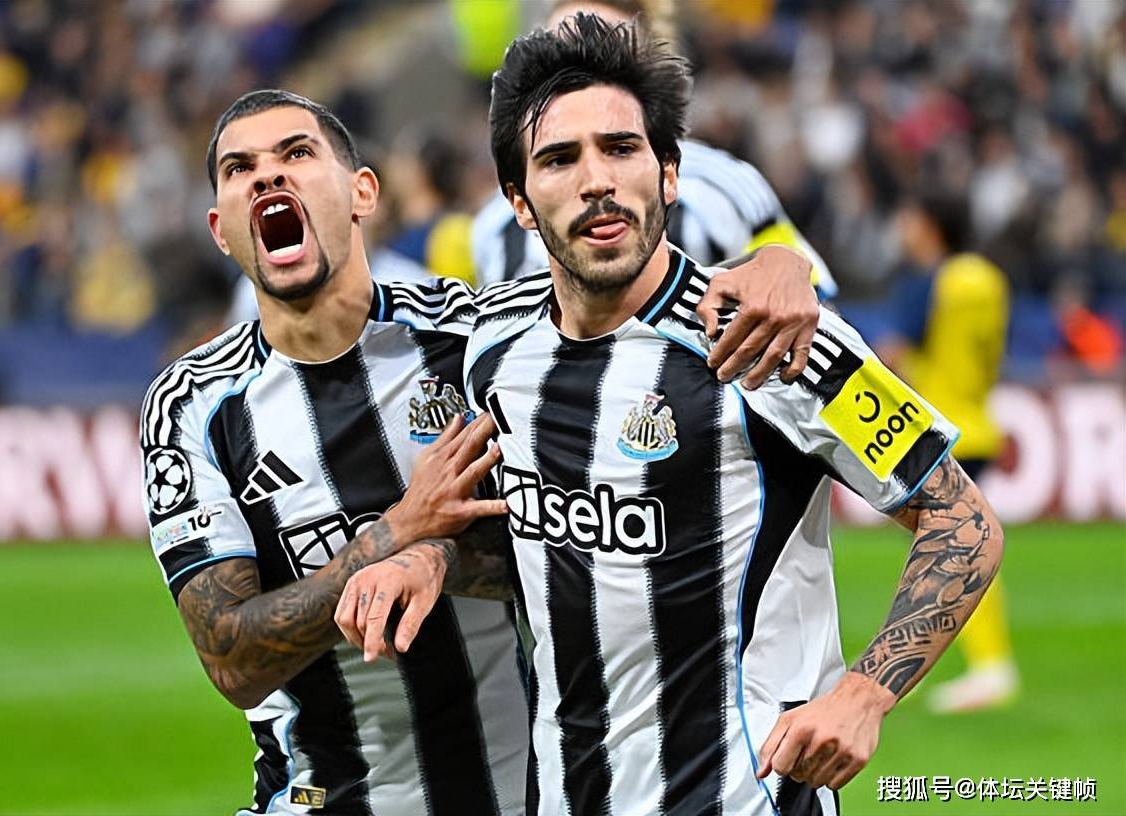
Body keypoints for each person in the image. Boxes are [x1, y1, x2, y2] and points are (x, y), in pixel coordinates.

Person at [337, 16, 1005, 816]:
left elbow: (963, 522)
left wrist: (865, 693)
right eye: (559, 159)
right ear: (519, 202)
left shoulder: (773, 336)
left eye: (621, 148)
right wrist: (429, 559)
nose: (596, 179)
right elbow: (533, 545)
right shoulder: (493, 345)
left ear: (668, 175)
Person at [140, 87, 822, 814]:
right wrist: (396, 532)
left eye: (296, 153)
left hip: (515, 796)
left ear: (363, 192)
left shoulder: (477, 337)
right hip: (316, 797)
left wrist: (780, 263)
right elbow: (233, 661)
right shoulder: (193, 407)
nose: (268, 176)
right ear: (220, 228)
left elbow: (630, 289)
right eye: (240, 168)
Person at [470, 0, 840, 313]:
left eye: (607, 54)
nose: (581, 79)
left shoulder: (725, 187)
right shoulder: (494, 228)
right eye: (561, 54)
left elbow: (809, 305)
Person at [880, 189, 1019, 713]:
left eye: (910, 217)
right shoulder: (986, 277)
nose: (903, 227)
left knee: (955, 547)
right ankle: (967, 664)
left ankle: (990, 666)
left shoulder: (929, 281)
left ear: (929, 225)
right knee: (959, 538)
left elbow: (894, 355)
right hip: (979, 417)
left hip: (937, 428)